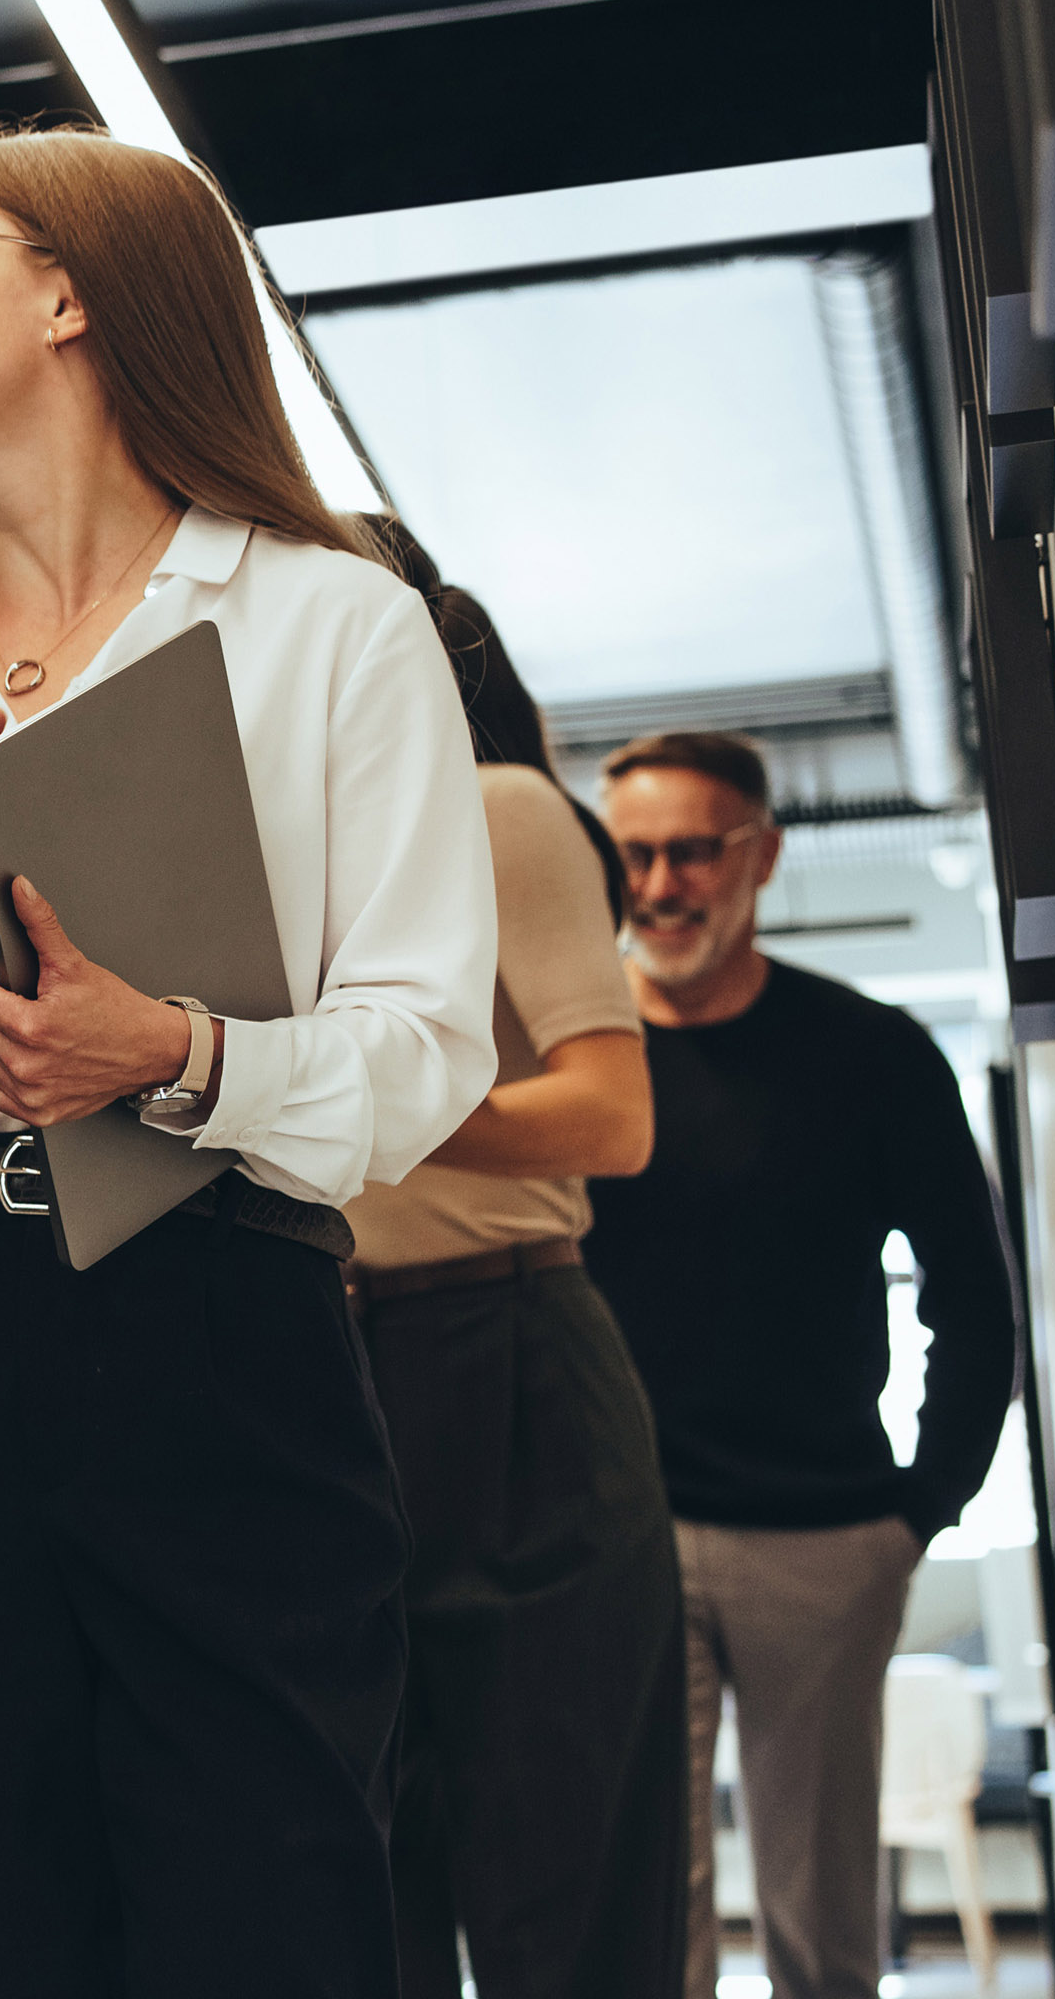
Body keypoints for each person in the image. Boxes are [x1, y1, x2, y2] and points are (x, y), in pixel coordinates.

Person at [0, 123, 496, 1998]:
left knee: (274, 1911)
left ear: (68, 294)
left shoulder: (334, 624)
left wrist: (181, 1054)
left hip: (215, 1319)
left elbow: (429, 1045)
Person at [579, 734, 1020, 1999]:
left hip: (826, 1540)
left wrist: (918, 1511)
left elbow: (974, 1301)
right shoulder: (573, 1062)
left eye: (692, 851)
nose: (659, 885)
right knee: (646, 1920)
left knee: (822, 1926)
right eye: (633, 854)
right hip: (621, 1540)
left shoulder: (872, 1053)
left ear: (762, 855)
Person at [351, 538, 682, 1999]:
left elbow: (612, 1118)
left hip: (503, 1360)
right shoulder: (285, 853)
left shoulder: (493, 812)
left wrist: (338, 1101)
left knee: (562, 1884)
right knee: (363, 1878)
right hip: (328, 1367)